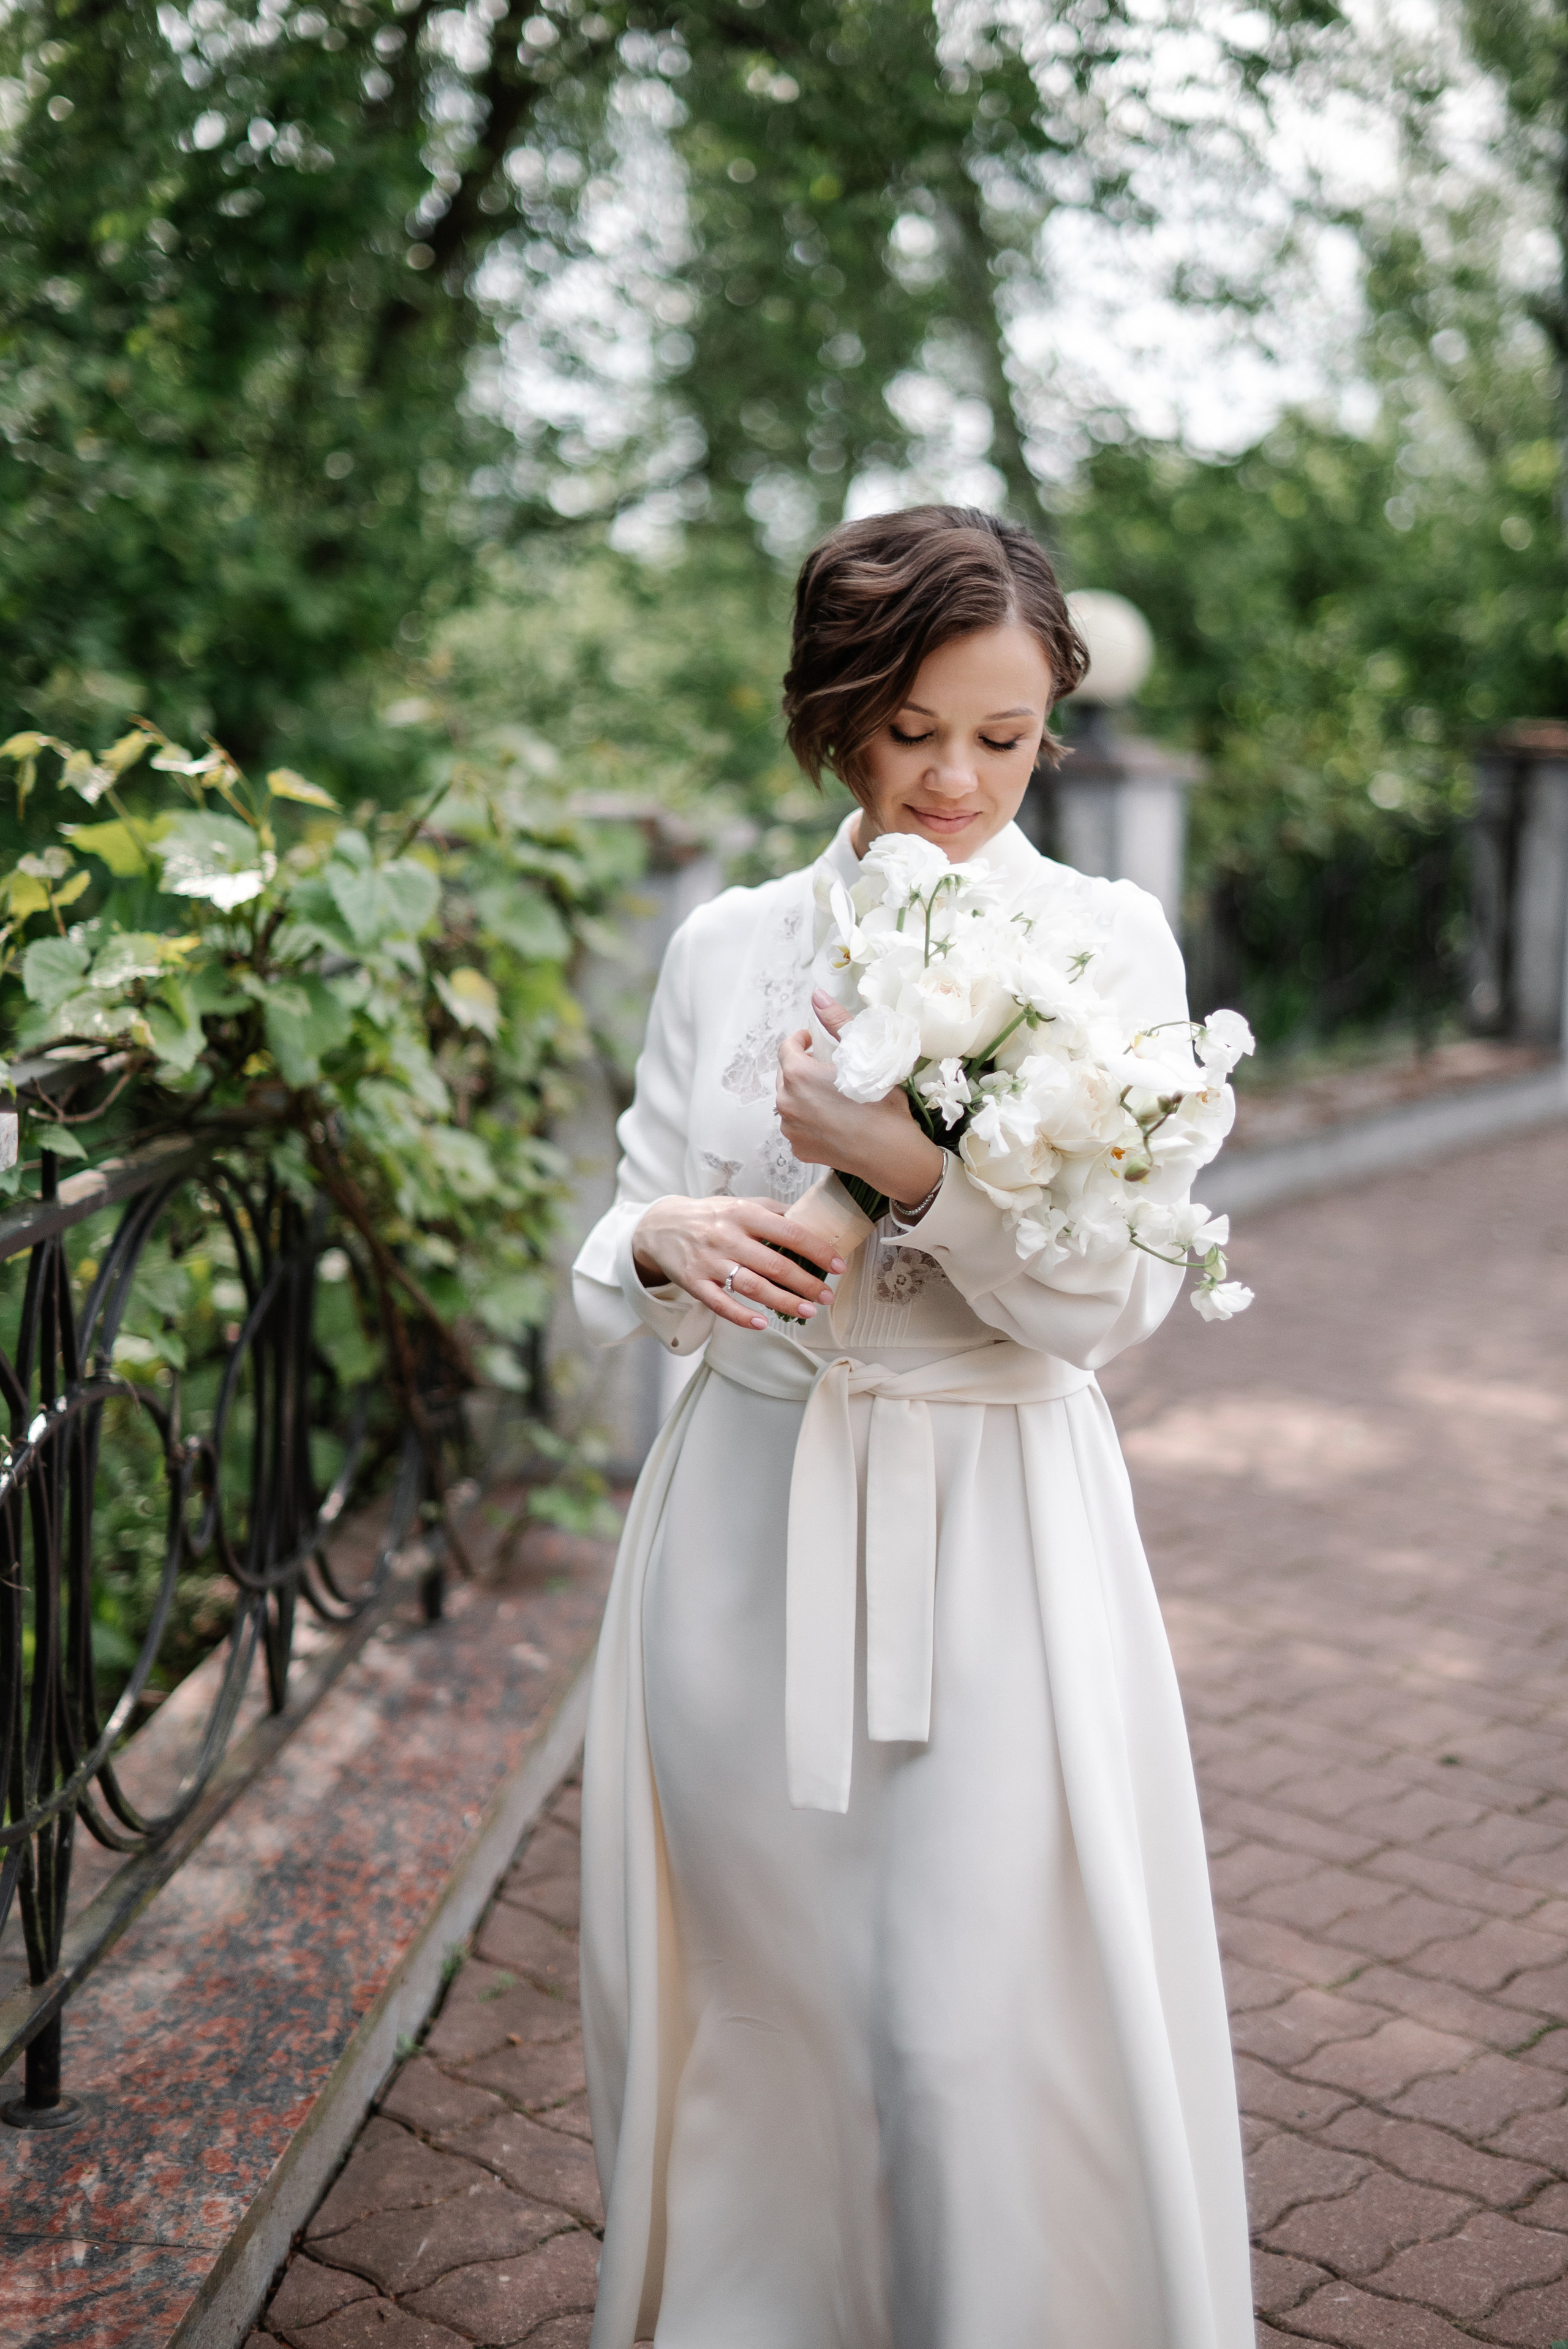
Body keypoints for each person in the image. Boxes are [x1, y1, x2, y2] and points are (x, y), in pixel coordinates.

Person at [571, 505, 1251, 2349]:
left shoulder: (1103, 943)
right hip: (740, 1538)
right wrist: (659, 1239)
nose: (955, 775)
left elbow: (1107, 1307)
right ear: (835, 713)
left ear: (1052, 730)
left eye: (1003, 736)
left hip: (996, 1535)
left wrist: (914, 1175)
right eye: (912, 727)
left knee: (959, 2027)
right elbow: (616, 1227)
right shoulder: (726, 945)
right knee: (767, 2014)